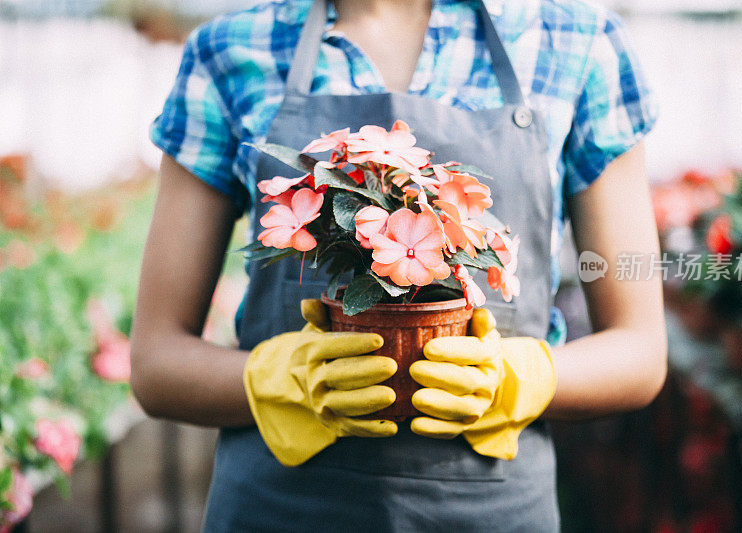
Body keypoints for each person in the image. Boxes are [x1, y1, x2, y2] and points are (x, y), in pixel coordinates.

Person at [131, 0, 667, 530]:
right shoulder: (229, 50)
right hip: (281, 508)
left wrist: (518, 378)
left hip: (491, 512)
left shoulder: (576, 43)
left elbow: (640, 352)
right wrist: (279, 380)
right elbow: (157, 366)